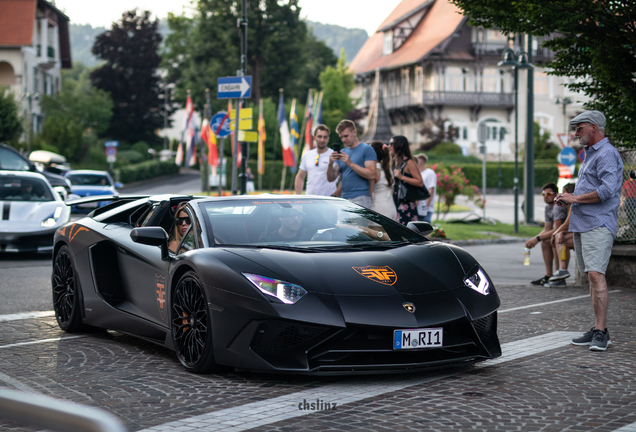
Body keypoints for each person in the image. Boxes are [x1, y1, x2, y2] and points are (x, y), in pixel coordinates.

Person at [554, 110, 623, 351]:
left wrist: (574, 198)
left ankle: (602, 332)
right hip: (585, 223)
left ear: (594, 127)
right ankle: (598, 328)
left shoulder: (606, 153)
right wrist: (570, 200)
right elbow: (588, 191)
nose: (575, 133)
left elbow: (606, 191)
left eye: (579, 128)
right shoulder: (591, 154)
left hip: (599, 223)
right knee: (592, 278)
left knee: (596, 275)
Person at [326, 120, 377, 208]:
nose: (344, 140)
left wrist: (351, 164)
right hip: (344, 198)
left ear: (354, 132)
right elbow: (331, 178)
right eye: (341, 137)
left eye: (346, 136)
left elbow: (372, 175)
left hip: (361, 197)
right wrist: (330, 164)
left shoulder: (367, 149)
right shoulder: (342, 152)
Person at [525, 183, 568, 286]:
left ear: (556, 194)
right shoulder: (548, 208)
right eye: (543, 194)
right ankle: (548, 276)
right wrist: (534, 239)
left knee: (554, 240)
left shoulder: (558, 205)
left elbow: (557, 229)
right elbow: (547, 229)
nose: (546, 196)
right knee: (545, 242)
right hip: (559, 233)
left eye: (548, 193)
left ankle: (559, 276)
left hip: (566, 232)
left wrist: (537, 239)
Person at [294, 125, 338, 196]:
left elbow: (343, 178)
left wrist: (335, 195)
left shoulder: (334, 155)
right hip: (310, 199)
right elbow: (300, 177)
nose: (322, 140)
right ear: (314, 137)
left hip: (328, 199)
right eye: (319, 136)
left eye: (325, 137)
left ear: (328, 139)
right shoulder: (308, 155)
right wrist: (298, 197)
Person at [389, 135, 424, 225]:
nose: (389, 146)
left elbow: (419, 182)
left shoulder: (409, 162)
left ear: (399, 145)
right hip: (395, 200)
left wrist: (402, 177)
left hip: (405, 202)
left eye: (391, 143)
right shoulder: (394, 162)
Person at [549, 182, 577, 286]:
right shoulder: (571, 205)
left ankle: (562, 269)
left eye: (564, 193)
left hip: (587, 234)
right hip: (579, 233)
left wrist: (556, 233)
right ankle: (560, 271)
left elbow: (567, 224)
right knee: (559, 239)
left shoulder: (574, 204)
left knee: (560, 239)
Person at [370, 141, 397, 220]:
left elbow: (370, 191)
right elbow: (392, 190)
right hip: (391, 207)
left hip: (378, 208)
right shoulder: (387, 169)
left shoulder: (375, 170)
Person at [415, 154, 437, 223]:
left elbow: (431, 190)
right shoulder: (419, 174)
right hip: (418, 209)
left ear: (419, 162)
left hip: (425, 210)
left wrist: (426, 207)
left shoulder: (430, 173)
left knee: (424, 232)